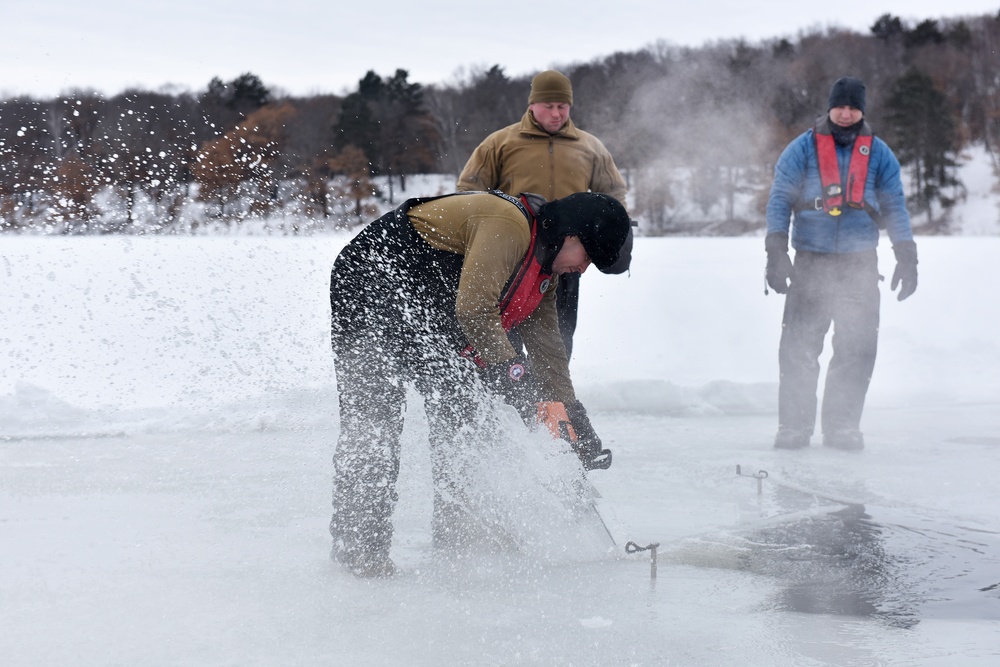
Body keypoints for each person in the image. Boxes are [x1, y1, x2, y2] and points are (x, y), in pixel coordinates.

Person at [328, 189, 630, 577]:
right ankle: (360, 552)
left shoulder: (545, 269)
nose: (583, 269)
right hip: (373, 283)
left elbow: (547, 344)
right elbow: (474, 308)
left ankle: (461, 540)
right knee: (374, 423)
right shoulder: (508, 226)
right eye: (586, 257)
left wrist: (566, 407)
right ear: (570, 236)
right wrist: (512, 375)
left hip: (431, 308)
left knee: (462, 416)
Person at [764, 76, 918, 451]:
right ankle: (794, 427)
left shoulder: (879, 154)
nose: (846, 114)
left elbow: (895, 205)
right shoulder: (802, 148)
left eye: (853, 108)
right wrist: (775, 251)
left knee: (856, 347)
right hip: (810, 260)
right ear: (829, 107)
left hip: (859, 263)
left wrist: (907, 254)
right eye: (840, 107)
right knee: (799, 347)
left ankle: (843, 426)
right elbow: (780, 199)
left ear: (862, 111)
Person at [456, 69, 632, 359]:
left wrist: (614, 232)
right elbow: (469, 191)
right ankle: (509, 390)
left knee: (560, 333)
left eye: (562, 106)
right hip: (514, 254)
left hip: (568, 256)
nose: (556, 113)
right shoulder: (500, 143)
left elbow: (613, 192)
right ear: (532, 105)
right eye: (548, 106)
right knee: (506, 325)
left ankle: (553, 397)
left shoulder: (589, 147)